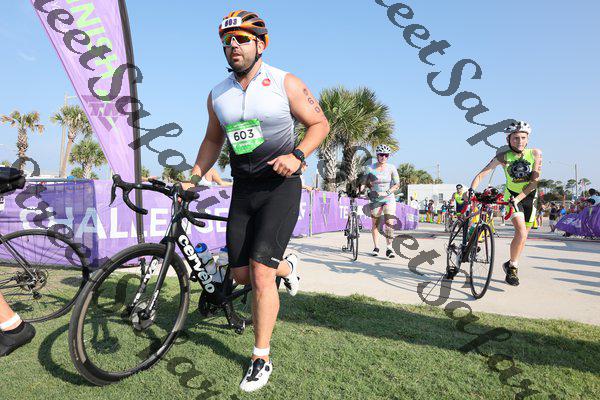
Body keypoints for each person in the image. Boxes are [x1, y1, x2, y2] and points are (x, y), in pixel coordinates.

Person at [188, 10, 329, 392]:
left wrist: (297, 155)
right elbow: (213, 140)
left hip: (281, 187)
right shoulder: (218, 94)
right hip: (244, 189)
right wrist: (193, 177)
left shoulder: (285, 82)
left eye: (242, 39)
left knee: (260, 273)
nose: (233, 45)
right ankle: (288, 266)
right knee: (240, 274)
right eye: (227, 40)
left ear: (261, 44)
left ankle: (260, 357)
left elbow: (320, 124)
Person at [468, 121, 542, 286]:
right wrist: (472, 190)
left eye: (523, 138)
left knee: (523, 236)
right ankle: (513, 269)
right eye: (516, 138)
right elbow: (481, 175)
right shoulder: (502, 157)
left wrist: (519, 198)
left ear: (528, 139)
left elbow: (533, 183)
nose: (520, 141)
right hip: (511, 196)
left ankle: (510, 264)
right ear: (508, 139)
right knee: (520, 231)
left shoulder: (535, 153)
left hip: (529, 196)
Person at [360, 144, 400, 258]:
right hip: (375, 198)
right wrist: (361, 190)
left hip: (388, 198)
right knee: (375, 223)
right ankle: (376, 247)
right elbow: (364, 182)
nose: (383, 157)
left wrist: (387, 192)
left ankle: (389, 248)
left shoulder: (391, 167)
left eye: (386, 155)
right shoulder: (370, 168)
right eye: (381, 155)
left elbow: (397, 184)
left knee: (389, 222)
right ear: (377, 155)